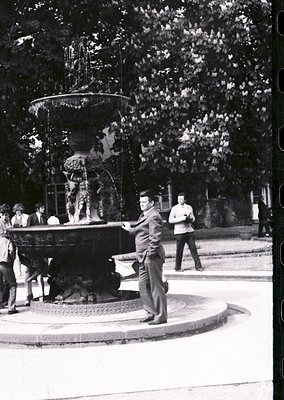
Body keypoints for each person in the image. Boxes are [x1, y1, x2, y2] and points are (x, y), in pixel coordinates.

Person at [122, 190, 167, 325]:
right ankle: (150, 312)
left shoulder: (154, 216)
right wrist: (130, 229)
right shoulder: (144, 215)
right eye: (140, 202)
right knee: (142, 285)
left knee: (156, 286)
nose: (141, 204)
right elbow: (141, 231)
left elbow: (155, 237)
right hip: (142, 257)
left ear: (151, 203)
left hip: (151, 257)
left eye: (144, 202)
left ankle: (161, 316)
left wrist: (150, 254)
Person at [168, 193, 204, 271]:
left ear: (185, 200)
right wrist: (181, 218)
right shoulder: (174, 208)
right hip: (179, 232)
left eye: (181, 199)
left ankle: (198, 266)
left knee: (193, 249)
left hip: (189, 231)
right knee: (179, 250)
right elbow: (170, 220)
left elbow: (193, 218)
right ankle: (177, 267)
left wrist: (191, 218)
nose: (179, 200)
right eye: (178, 199)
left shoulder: (189, 207)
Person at [22, 202, 47, 305]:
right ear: (37, 209)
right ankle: (28, 297)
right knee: (27, 277)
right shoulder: (32, 217)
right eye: (42, 208)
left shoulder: (44, 218)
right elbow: (28, 229)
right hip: (32, 248)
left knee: (39, 276)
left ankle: (42, 295)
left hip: (40, 248)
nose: (44, 209)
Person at [0, 233, 18, 314]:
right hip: (5, 264)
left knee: (0, 286)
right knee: (12, 284)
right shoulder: (8, 241)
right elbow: (11, 251)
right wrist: (12, 258)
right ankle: (11, 307)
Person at [11, 203, 29, 276]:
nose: (17, 212)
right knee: (17, 254)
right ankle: (19, 271)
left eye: (18, 210)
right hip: (15, 238)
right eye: (16, 210)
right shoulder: (13, 218)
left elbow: (28, 226)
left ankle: (27, 269)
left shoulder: (26, 216)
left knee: (25, 253)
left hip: (24, 238)